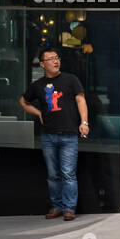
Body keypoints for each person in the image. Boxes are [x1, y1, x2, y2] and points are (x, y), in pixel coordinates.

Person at [20, 46, 89, 222]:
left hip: (69, 134)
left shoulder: (70, 79)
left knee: (68, 173)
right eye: (50, 59)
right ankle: (57, 206)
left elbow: (81, 100)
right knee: (53, 174)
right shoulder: (37, 85)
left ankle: (69, 208)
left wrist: (84, 122)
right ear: (42, 64)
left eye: (57, 57)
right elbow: (23, 101)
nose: (55, 61)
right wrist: (38, 113)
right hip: (48, 135)